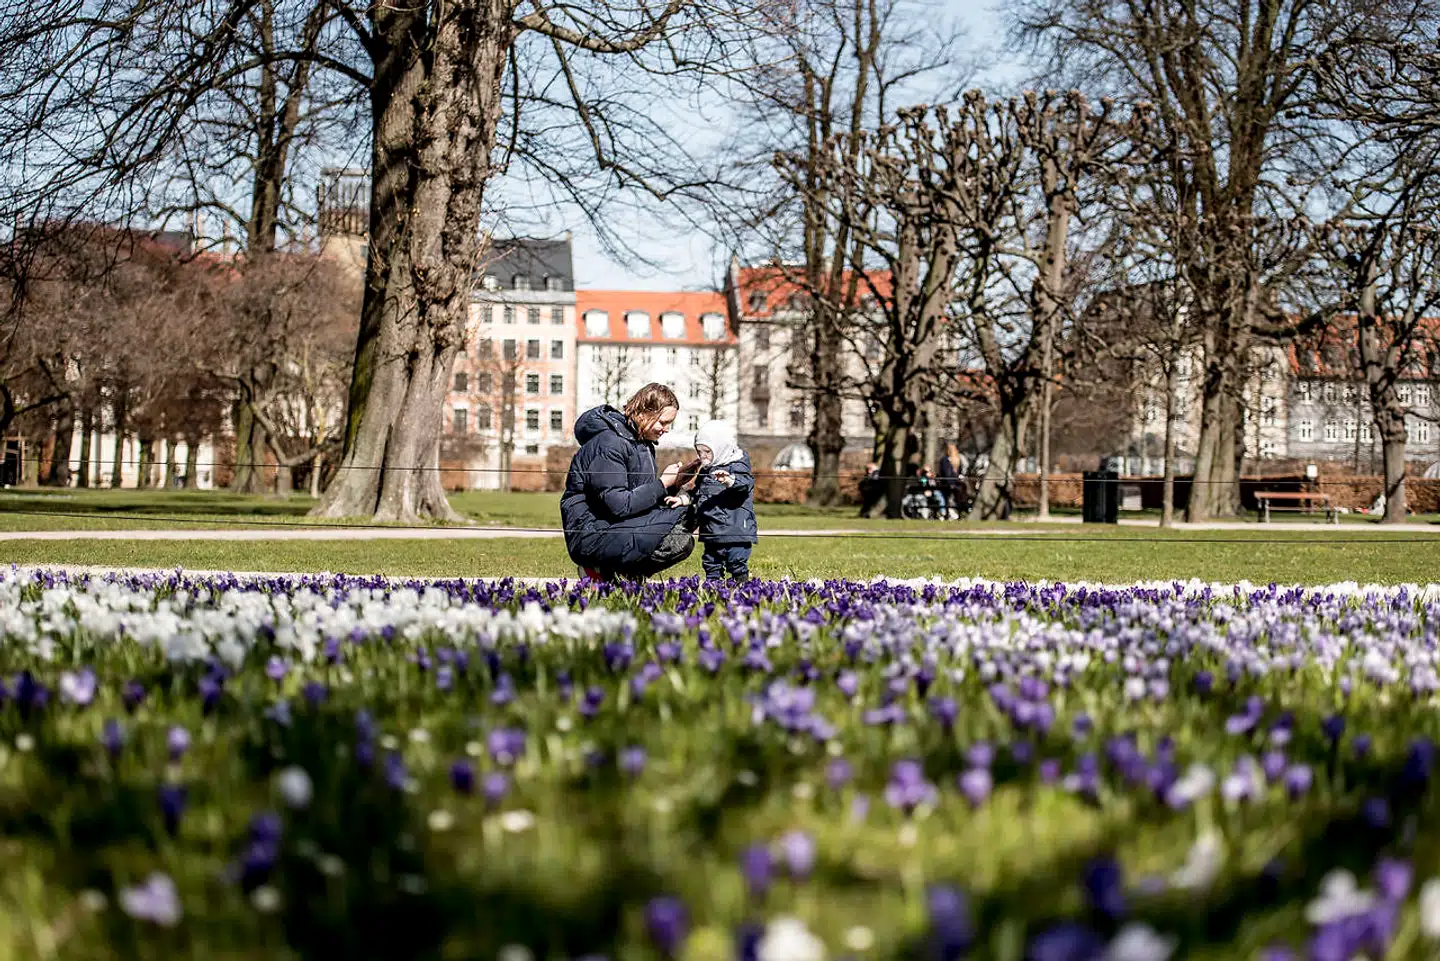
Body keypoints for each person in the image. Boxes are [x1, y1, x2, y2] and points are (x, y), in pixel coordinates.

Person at [561, 383, 697, 581]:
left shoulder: (641, 444)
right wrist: (662, 484)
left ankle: (623, 574)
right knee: (677, 537)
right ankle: (599, 570)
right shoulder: (609, 444)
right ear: (644, 413)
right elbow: (619, 505)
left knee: (689, 518)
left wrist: (675, 484)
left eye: (670, 424)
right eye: (663, 422)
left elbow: (641, 500)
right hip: (592, 532)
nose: (666, 429)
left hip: (613, 526)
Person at [667, 420, 756, 581]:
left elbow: (745, 484)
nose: (702, 456)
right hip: (711, 528)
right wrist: (683, 499)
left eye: (707, 451)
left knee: (736, 562)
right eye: (699, 451)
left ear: (721, 447)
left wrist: (730, 481)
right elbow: (698, 492)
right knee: (710, 562)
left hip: (735, 530)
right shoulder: (706, 470)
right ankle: (713, 587)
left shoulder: (737, 465)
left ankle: (742, 586)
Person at [938, 443, 963, 518]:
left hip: (948, 483)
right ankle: (956, 514)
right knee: (955, 500)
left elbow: (945, 472)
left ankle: (948, 514)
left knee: (947, 500)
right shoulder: (957, 460)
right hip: (954, 483)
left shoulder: (945, 460)